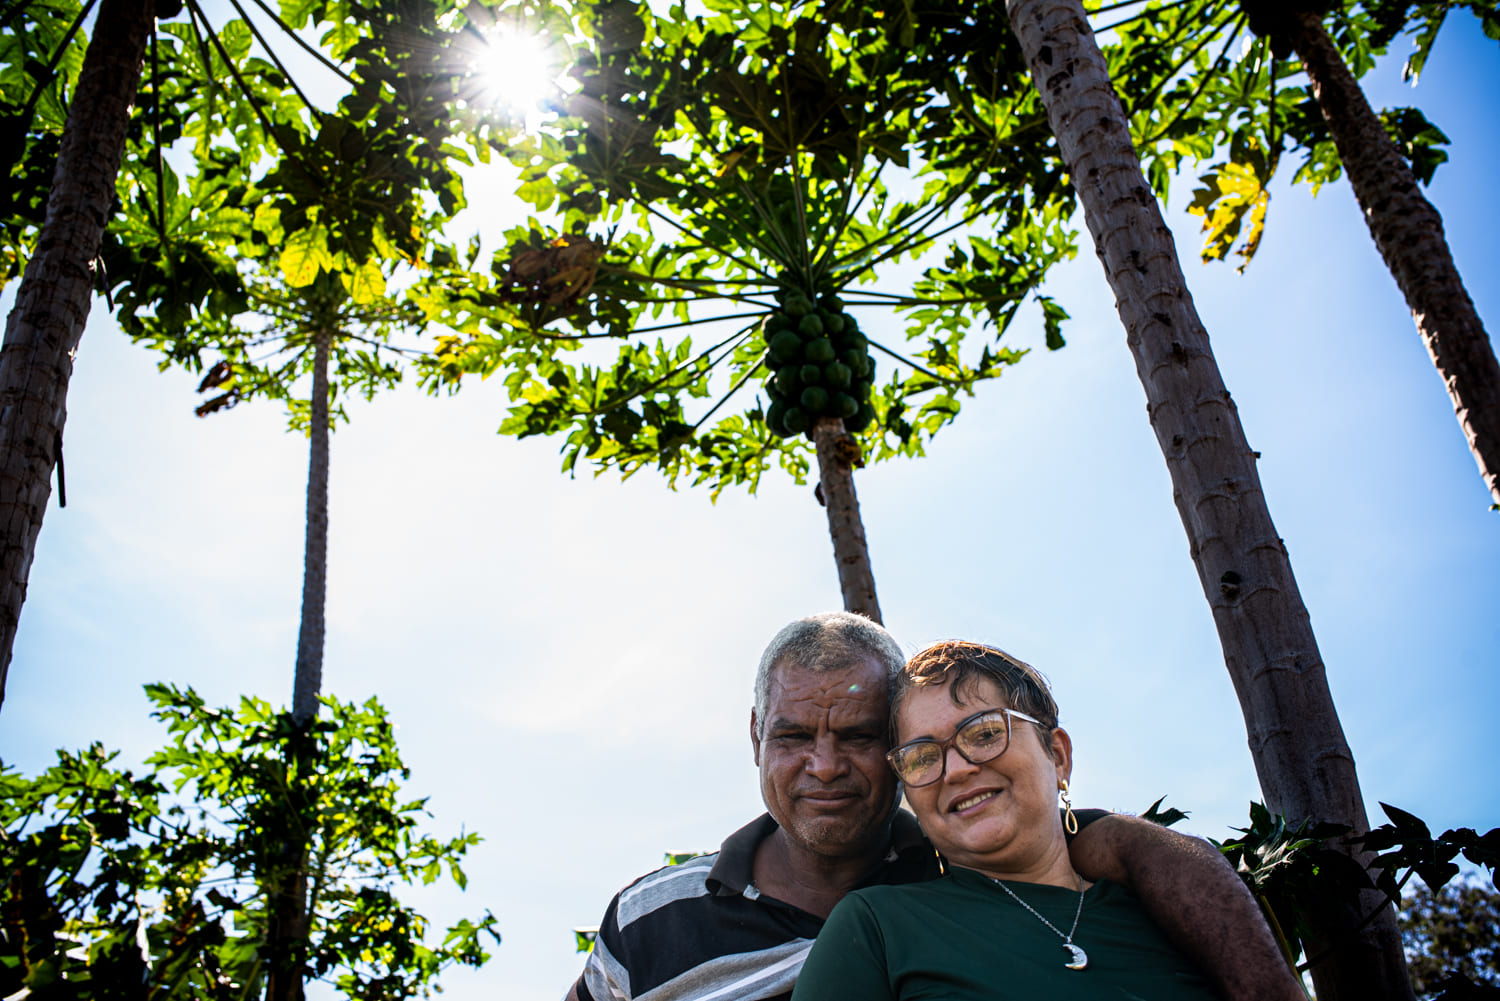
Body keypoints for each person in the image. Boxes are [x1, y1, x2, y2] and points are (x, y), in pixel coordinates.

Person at [568, 615, 1300, 1001]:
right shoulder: (648, 916)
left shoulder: (962, 865)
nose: (824, 766)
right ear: (756, 735)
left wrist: (1144, 848)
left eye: (857, 737)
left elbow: (1067, 837)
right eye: (793, 735)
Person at [791, 639, 1305, 1001]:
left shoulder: (1173, 903)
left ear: (1057, 755)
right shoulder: (878, 926)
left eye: (984, 732)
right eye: (923, 756)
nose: (956, 768)